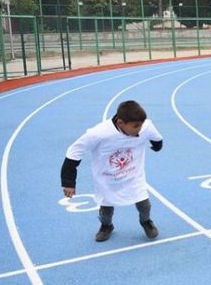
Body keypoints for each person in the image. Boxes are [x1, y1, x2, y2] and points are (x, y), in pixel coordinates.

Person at [61, 100, 164, 242]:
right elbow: (74, 152)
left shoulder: (145, 126)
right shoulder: (98, 134)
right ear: (121, 123)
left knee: (144, 205)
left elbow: (157, 139)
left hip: (133, 176)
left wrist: (157, 146)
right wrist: (68, 182)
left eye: (141, 125)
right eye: (135, 126)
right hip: (107, 179)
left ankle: (146, 222)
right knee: (106, 210)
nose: (140, 129)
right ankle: (106, 226)